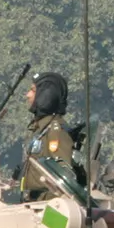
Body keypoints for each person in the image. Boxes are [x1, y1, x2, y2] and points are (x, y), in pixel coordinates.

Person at [20, 73, 85, 201]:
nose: (28, 95)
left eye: (33, 90)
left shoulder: (56, 131)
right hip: (33, 202)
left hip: (48, 205)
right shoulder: (39, 129)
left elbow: (65, 178)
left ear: (46, 95)